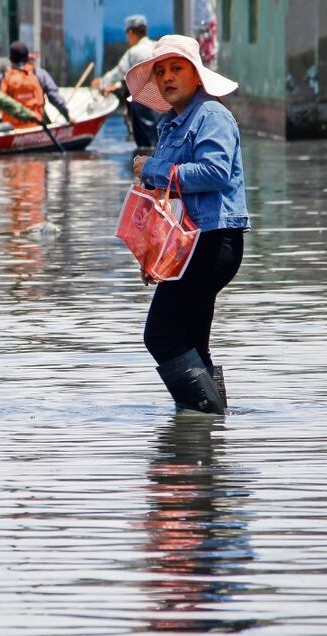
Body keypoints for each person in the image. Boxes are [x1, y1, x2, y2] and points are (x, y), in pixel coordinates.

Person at [126, 35, 249, 415]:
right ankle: (211, 430)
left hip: (214, 240)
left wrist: (152, 167)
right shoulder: (171, 125)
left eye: (176, 69)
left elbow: (214, 172)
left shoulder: (212, 116)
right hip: (187, 244)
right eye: (161, 71)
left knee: (160, 335)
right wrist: (154, 255)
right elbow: (171, 201)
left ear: (197, 75)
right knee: (193, 341)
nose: (167, 77)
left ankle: (200, 419)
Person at [92, 14, 160, 148]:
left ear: (130, 32)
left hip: (142, 104)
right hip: (161, 102)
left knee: (145, 143)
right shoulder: (156, 47)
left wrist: (101, 83)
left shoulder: (134, 52)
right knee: (158, 140)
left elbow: (119, 72)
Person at [0, 41, 71, 128]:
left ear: (10, 59)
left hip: (11, 128)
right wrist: (68, 117)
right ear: (28, 57)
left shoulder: (2, 78)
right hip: (37, 125)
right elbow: (54, 98)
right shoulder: (39, 74)